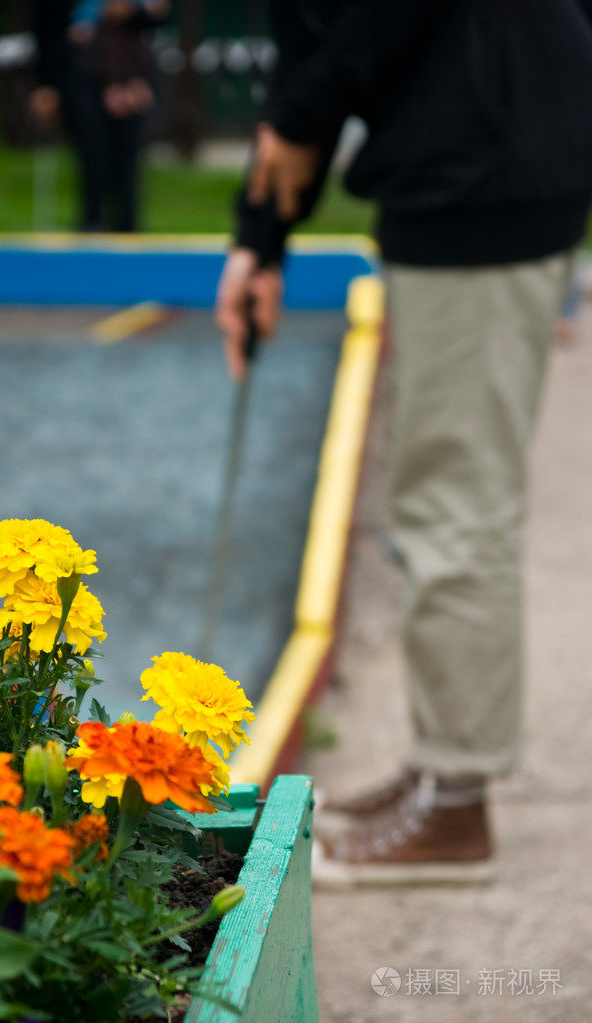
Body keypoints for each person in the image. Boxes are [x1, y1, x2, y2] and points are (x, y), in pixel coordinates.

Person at [216, 0, 592, 885]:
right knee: (440, 490)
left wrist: (300, 125)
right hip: (459, 161)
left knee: (457, 501)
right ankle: (437, 770)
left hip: (487, 166)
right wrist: (259, 238)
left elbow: (361, 25)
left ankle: (456, 807)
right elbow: (311, 34)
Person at [30, 0, 169, 232]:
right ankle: (91, 224)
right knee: (92, 157)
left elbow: (157, 17)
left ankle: (128, 228)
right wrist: (45, 84)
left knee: (128, 163)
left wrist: (132, 12)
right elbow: (45, 29)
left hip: (131, 77)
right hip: (82, 77)